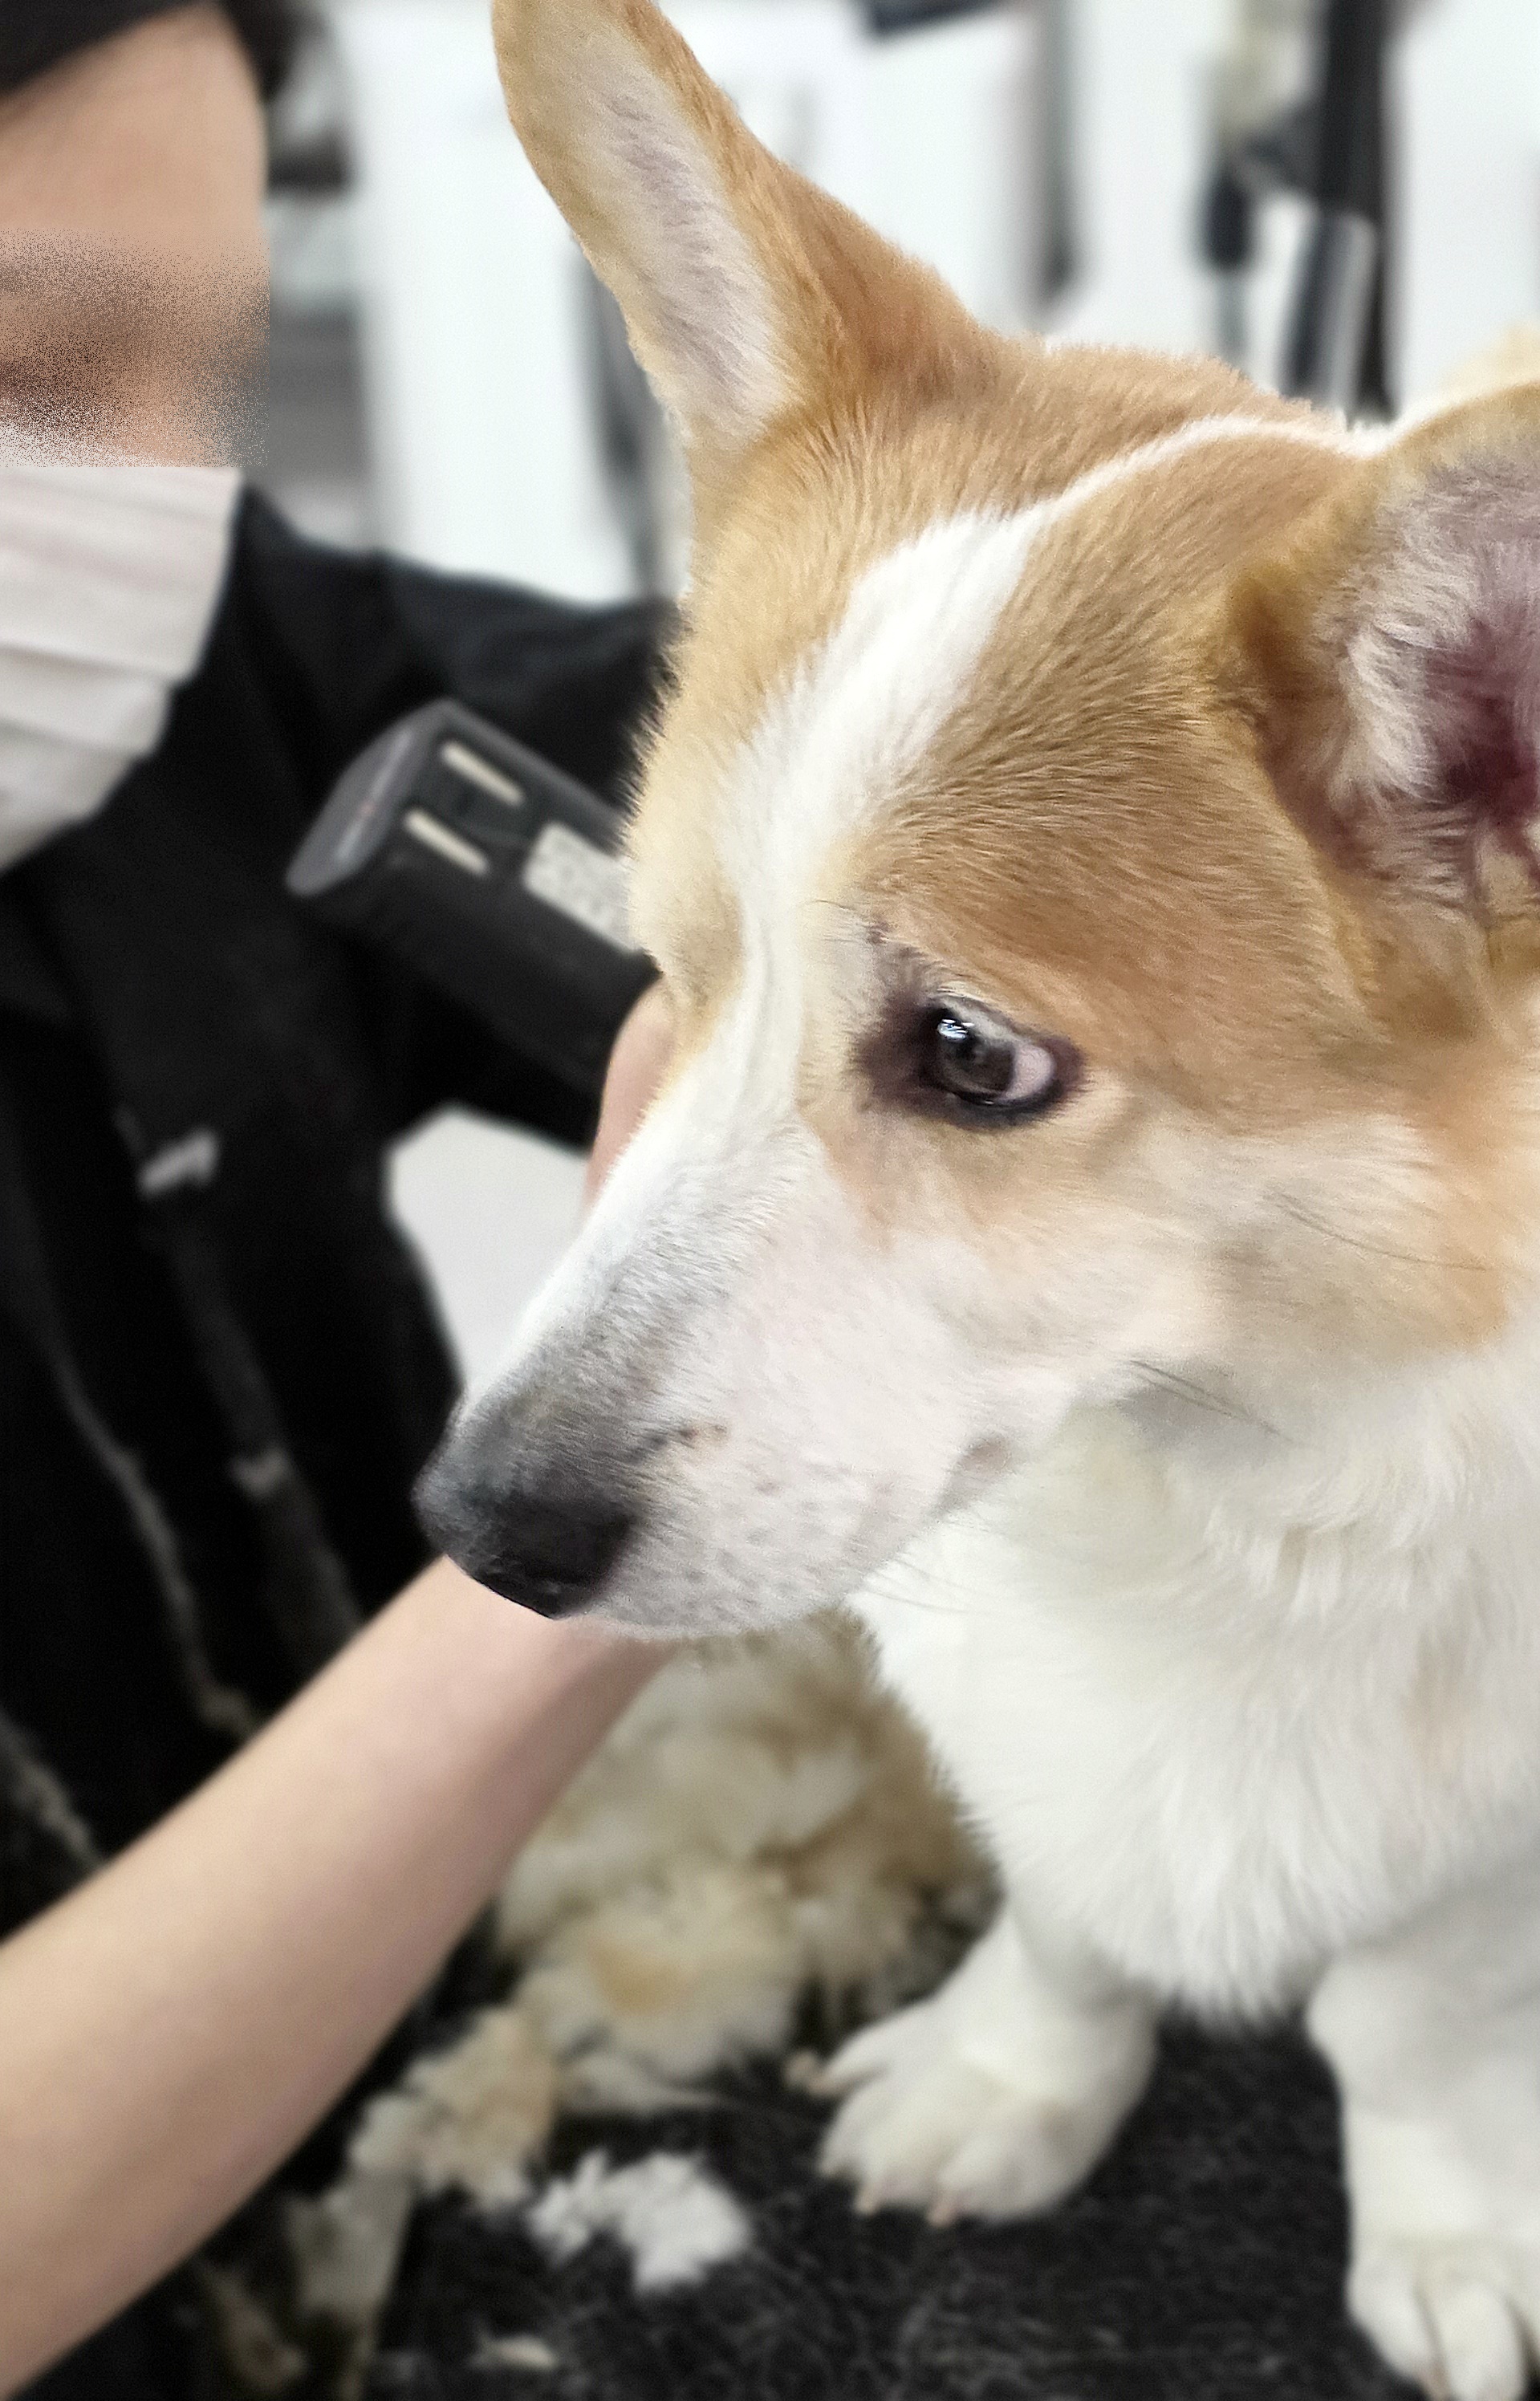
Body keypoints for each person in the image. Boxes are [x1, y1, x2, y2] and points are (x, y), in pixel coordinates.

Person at [0, 6, 675, 2390]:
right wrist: (637, 1494)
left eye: (209, 384)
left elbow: (681, 762)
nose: (142, 509)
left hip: (460, 2137)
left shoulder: (180, 666)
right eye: (30, 365)